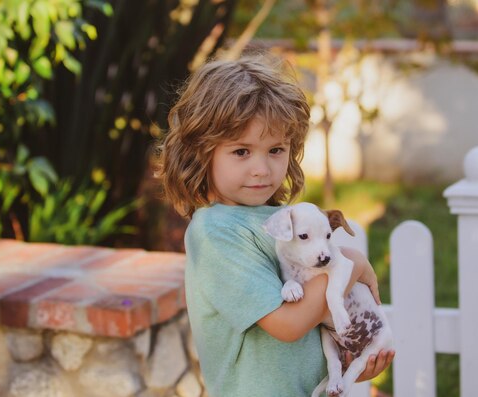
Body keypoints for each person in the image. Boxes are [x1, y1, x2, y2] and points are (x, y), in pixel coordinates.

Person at [158, 55, 395, 397]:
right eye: (241, 152)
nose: (262, 169)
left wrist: (347, 363)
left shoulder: (284, 222)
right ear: (201, 152)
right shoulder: (216, 233)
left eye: (275, 150)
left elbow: (311, 324)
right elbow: (288, 324)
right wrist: (351, 262)